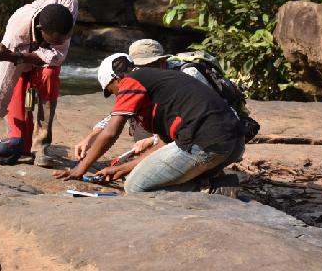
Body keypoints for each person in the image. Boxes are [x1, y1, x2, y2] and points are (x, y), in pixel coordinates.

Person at [54, 54, 245, 193]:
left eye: (111, 91)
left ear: (116, 79)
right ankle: (216, 185)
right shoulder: (160, 81)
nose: (115, 96)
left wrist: (82, 167)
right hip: (234, 143)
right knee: (140, 176)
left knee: (136, 187)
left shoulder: (131, 82)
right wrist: (121, 168)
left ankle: (208, 190)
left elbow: (111, 132)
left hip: (205, 142)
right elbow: (164, 145)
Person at [0, 0, 78, 168]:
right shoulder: (15, 35)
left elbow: (56, 57)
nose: (63, 44)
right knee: (20, 145)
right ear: (41, 29)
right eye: (56, 41)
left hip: (43, 65)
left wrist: (18, 56)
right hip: (19, 64)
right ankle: (27, 141)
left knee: (49, 75)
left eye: (65, 38)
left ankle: (42, 145)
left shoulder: (68, 7)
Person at [74, 39, 212, 162]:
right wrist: (92, 137)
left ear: (162, 62)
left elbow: (199, 118)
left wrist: (153, 140)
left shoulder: (188, 75)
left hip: (205, 135)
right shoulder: (141, 80)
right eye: (137, 67)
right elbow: (119, 113)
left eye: (146, 66)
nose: (139, 72)